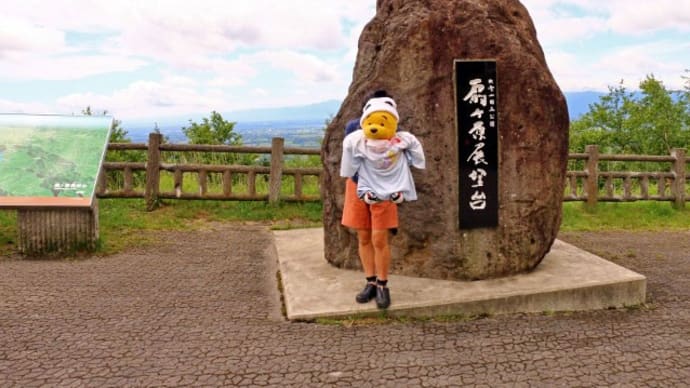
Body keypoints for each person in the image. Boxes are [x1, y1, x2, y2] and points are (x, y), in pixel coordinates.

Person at [340, 90, 425, 309]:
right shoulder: (353, 128)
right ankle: (370, 281)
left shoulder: (394, 131)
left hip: (385, 190)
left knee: (380, 238)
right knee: (364, 237)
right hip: (357, 186)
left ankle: (383, 285)